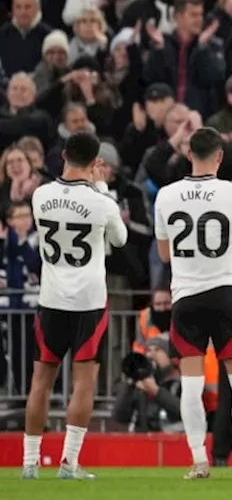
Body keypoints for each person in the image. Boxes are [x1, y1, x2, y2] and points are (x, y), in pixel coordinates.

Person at [153, 127, 232, 479]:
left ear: (189, 154)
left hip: (186, 296)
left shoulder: (166, 196)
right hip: (226, 293)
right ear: (219, 157)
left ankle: (199, 460)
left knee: (192, 385)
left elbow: (165, 254)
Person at [23, 132, 127, 480]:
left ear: (64, 155)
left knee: (41, 382)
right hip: (89, 302)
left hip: (51, 300)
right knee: (84, 383)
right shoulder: (101, 201)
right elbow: (120, 239)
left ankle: (30, 463)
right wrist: (100, 188)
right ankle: (69, 462)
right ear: (97, 161)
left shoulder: (40, 195)